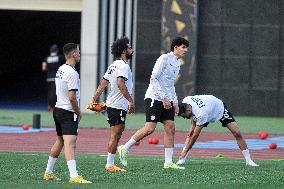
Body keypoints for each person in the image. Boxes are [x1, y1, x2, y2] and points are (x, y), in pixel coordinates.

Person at [118, 37, 189, 170]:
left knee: (170, 126)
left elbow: (170, 85)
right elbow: (153, 79)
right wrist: (163, 98)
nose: (185, 50)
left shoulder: (177, 63)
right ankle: (124, 148)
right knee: (150, 128)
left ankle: (168, 162)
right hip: (154, 98)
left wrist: (175, 102)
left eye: (186, 48)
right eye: (183, 47)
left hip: (167, 100)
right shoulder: (164, 59)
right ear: (175, 47)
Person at [43, 43, 92, 184]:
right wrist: (79, 112)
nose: (79, 54)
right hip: (67, 112)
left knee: (60, 141)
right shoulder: (72, 73)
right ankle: (74, 176)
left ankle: (48, 172)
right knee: (70, 144)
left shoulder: (61, 69)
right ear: (72, 55)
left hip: (58, 110)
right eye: (78, 52)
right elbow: (72, 97)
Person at [176, 95, 259, 167]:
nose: (183, 118)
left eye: (183, 116)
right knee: (191, 132)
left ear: (188, 110)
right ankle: (182, 159)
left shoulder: (201, 114)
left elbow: (195, 136)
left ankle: (249, 161)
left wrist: (186, 150)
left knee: (236, 132)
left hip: (219, 109)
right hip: (205, 110)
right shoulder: (186, 100)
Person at [92, 37, 134, 172]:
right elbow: (120, 83)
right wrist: (130, 100)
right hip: (117, 106)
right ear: (123, 51)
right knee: (115, 135)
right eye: (129, 48)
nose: (132, 50)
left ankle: (110, 163)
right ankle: (109, 165)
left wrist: (94, 99)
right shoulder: (123, 66)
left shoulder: (113, 65)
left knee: (115, 134)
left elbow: (103, 84)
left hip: (112, 105)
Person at [42, 44, 65, 111]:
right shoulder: (59, 57)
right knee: (55, 92)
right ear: (57, 51)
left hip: (49, 78)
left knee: (49, 92)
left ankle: (49, 105)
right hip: (57, 78)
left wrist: (49, 69)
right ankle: (53, 106)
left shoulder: (47, 58)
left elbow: (43, 68)